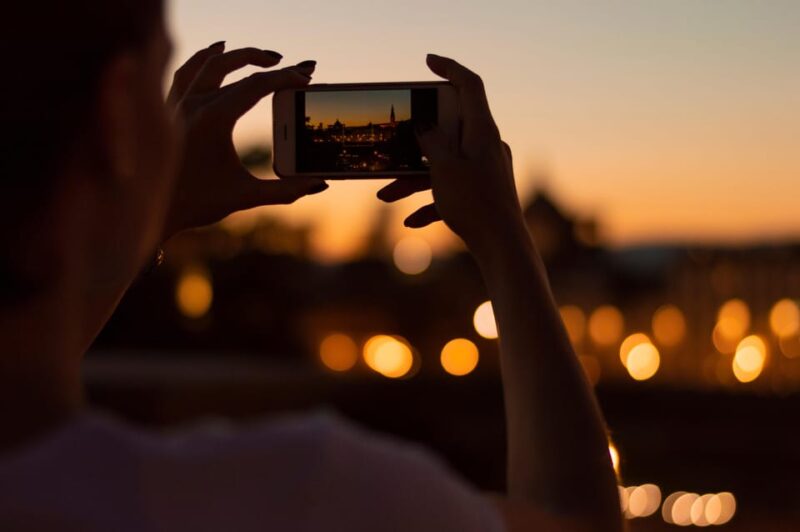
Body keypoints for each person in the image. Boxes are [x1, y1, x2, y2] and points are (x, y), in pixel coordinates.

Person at [0, 1, 622, 531]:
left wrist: (146, 211)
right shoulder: (303, 494)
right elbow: (577, 520)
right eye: (160, 91)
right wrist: (505, 243)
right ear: (116, 117)